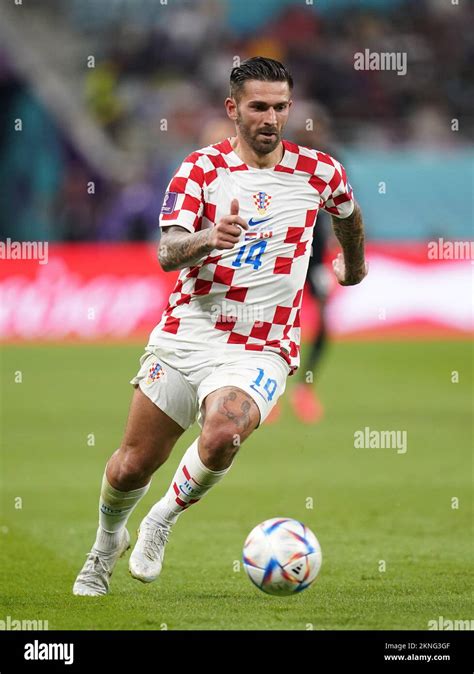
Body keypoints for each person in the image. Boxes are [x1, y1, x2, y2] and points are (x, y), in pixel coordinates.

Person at [73, 56, 368, 596]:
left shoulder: (319, 170)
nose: (271, 118)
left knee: (225, 432)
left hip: (263, 344)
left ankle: (162, 519)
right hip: (190, 332)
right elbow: (166, 253)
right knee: (131, 466)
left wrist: (355, 265)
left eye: (280, 107)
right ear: (233, 109)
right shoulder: (200, 170)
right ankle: (104, 545)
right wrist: (209, 237)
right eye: (259, 107)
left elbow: (347, 212)